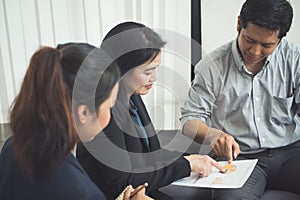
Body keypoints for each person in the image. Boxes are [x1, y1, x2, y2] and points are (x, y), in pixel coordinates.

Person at [76, 21, 225, 200]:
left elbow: (152, 152)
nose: (154, 78)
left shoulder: (133, 96)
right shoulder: (104, 113)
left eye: (155, 70)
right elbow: (122, 183)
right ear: (121, 70)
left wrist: (193, 159)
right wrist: (186, 165)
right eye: (148, 72)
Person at [180, 0, 300, 199]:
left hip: (291, 153)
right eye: (250, 40)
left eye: (267, 45)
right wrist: (212, 134)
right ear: (238, 24)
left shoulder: (294, 59)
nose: (255, 52)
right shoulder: (212, 66)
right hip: (239, 158)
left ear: (280, 39)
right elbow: (189, 121)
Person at [0, 42, 149, 200]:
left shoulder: (13, 146)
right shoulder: (82, 192)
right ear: (84, 112)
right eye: (109, 107)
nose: (110, 116)